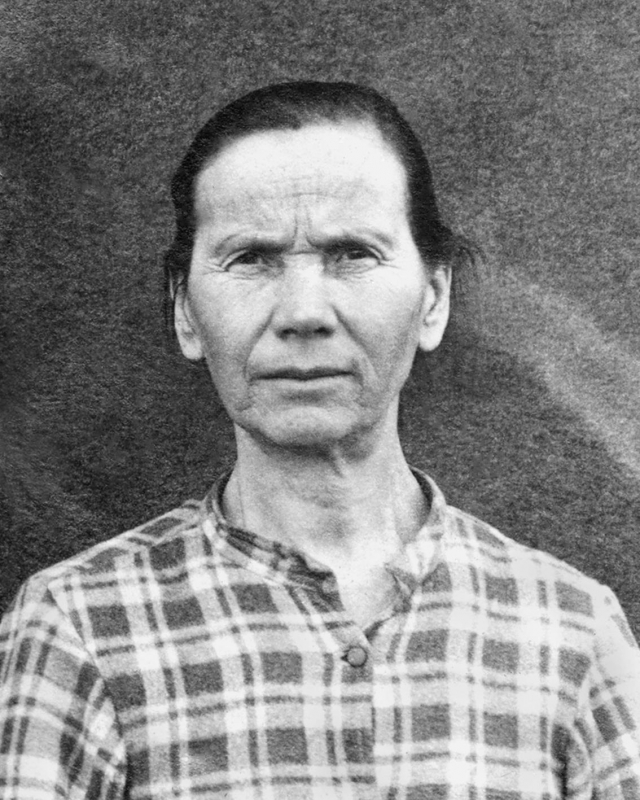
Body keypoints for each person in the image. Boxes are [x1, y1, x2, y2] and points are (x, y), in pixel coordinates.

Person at [1, 81, 639, 800]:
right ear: (185, 311)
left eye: (352, 254)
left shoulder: (573, 632)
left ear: (434, 299)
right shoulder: (79, 627)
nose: (303, 313)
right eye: (251, 259)